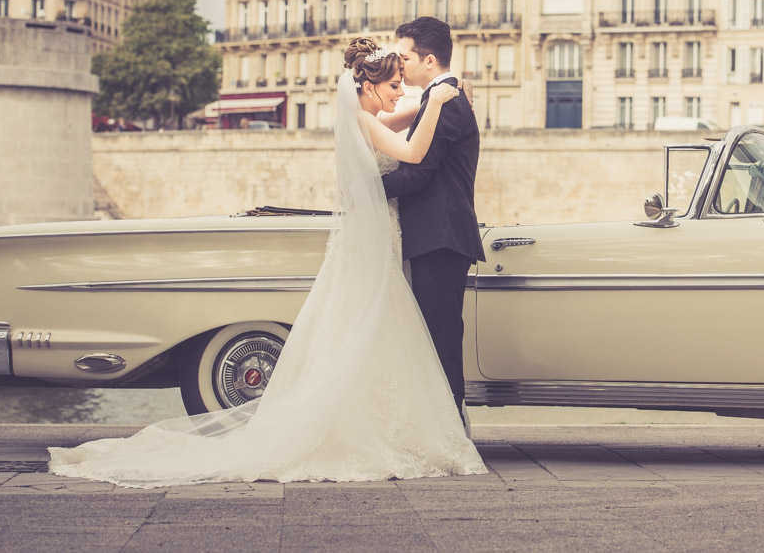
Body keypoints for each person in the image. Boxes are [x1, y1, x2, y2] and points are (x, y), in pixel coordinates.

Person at [46, 37, 487, 487]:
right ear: (369, 87)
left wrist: (435, 96)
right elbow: (412, 153)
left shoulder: (364, 115)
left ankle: (373, 419)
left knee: (363, 323)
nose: (400, 92)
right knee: (375, 319)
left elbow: (399, 118)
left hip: (375, 231)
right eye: (393, 84)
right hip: (375, 233)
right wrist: (438, 102)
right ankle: (384, 425)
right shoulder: (363, 120)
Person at [381, 17, 487, 424]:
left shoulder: (446, 102)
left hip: (440, 235)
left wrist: (368, 188)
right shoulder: (443, 97)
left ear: (428, 59)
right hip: (438, 234)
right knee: (438, 329)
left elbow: (420, 172)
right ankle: (445, 419)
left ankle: (449, 423)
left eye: (404, 57)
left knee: (440, 333)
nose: (399, 64)